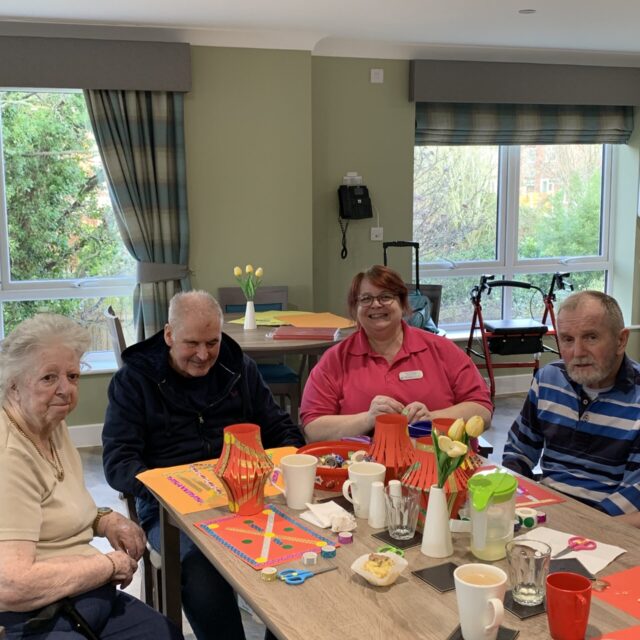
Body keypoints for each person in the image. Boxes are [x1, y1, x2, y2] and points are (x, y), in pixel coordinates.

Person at [102, 290, 305, 640]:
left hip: (247, 495)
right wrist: (165, 485)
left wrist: (289, 457)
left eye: (212, 342)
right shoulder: (133, 380)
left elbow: (280, 428)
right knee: (201, 571)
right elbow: (118, 462)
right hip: (169, 509)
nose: (203, 354)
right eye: (191, 343)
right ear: (169, 335)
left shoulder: (238, 367)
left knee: (301, 554)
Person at [0, 314, 182, 640]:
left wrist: (106, 520)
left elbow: (56, 509)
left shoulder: (49, 422)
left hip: (81, 597)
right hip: (32, 613)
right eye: (48, 378)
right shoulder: (9, 456)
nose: (65, 390)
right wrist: (108, 566)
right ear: (13, 384)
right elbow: (11, 584)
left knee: (164, 632)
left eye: (72, 376)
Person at [300, 265, 493, 442]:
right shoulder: (336, 360)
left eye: (385, 296)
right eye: (366, 299)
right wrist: (368, 419)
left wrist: (431, 418)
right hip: (361, 470)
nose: (376, 305)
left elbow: (482, 411)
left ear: (402, 303)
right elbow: (313, 428)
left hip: (437, 467)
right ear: (355, 308)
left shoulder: (441, 349)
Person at [502, 291, 640, 527]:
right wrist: (508, 498)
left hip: (608, 523)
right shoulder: (548, 379)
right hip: (544, 510)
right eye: (567, 339)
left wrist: (574, 524)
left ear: (621, 340)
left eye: (591, 337)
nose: (577, 352)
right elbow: (519, 451)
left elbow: (633, 494)